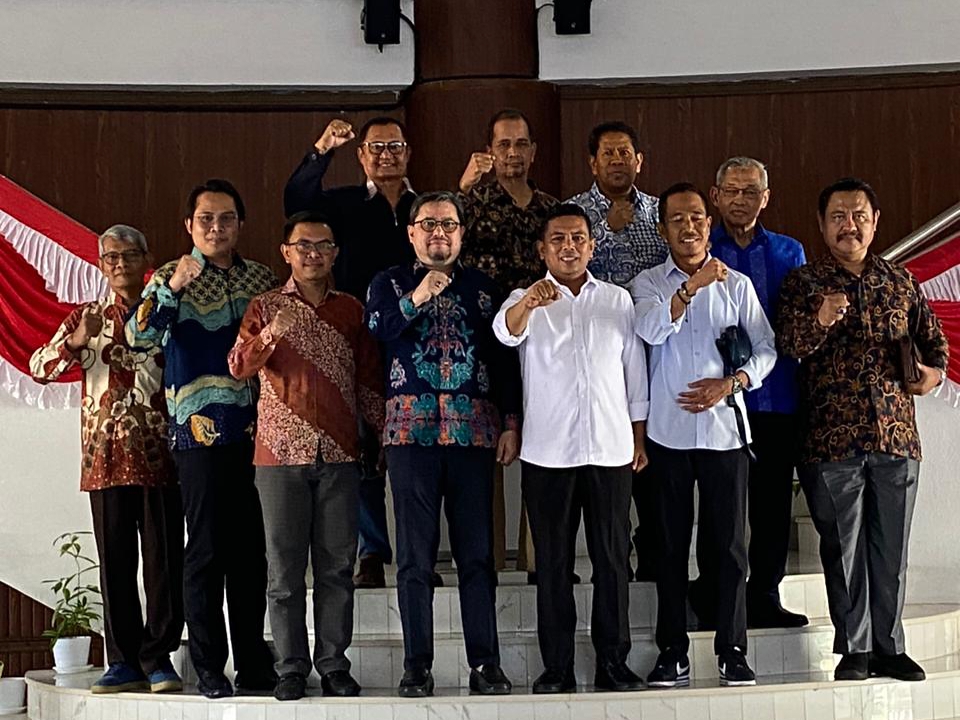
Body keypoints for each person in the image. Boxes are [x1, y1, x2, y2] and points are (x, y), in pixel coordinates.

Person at [776, 177, 948, 683]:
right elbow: (787, 345)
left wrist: (932, 376)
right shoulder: (802, 283)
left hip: (897, 437)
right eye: (838, 217)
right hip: (830, 440)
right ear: (821, 224)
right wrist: (821, 318)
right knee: (842, 548)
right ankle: (855, 650)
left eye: (858, 216)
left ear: (874, 223)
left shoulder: (900, 281)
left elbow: (934, 345)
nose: (848, 226)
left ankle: (890, 647)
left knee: (890, 550)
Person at [364, 191, 521, 698]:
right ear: (411, 233)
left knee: (477, 555)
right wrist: (417, 296)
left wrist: (511, 421)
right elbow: (378, 329)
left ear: (461, 232)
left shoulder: (484, 289)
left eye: (449, 224)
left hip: (473, 434)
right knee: (415, 557)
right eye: (428, 224)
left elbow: (504, 361)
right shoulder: (388, 282)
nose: (439, 233)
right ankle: (417, 665)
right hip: (411, 435)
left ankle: (486, 663)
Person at [126, 179, 278, 699]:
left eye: (227, 218)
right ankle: (210, 666)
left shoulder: (261, 278)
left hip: (258, 433)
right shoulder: (170, 275)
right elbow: (138, 338)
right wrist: (172, 288)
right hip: (198, 432)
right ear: (189, 225)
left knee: (251, 553)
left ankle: (253, 662)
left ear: (240, 224)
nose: (217, 227)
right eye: (206, 219)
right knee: (208, 549)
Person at [228, 211, 385, 701]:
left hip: (340, 454)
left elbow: (368, 381)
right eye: (304, 245)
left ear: (335, 253)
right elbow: (238, 366)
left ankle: (334, 664)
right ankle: (291, 667)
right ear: (286, 252)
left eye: (323, 245)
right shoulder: (265, 305)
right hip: (278, 456)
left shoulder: (351, 310)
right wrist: (272, 331)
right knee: (284, 571)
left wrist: (382, 436)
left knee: (337, 568)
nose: (313, 254)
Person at [493, 204, 648, 693]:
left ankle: (613, 662)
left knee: (612, 561)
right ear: (542, 249)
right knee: (553, 565)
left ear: (592, 246)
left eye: (578, 238)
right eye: (558, 239)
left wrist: (638, 437)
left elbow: (635, 373)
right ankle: (557, 667)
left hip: (610, 450)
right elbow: (505, 332)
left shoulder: (617, 300)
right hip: (548, 454)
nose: (569, 247)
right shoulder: (524, 299)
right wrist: (528, 304)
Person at [632, 183, 775, 688]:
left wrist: (732, 383)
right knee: (668, 547)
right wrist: (691, 287)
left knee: (730, 548)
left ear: (708, 224)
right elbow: (651, 331)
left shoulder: (736, 285)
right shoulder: (646, 284)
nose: (688, 226)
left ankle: (732, 649)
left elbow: (766, 348)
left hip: (724, 433)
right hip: (667, 435)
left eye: (696, 217)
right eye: (677, 219)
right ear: (662, 229)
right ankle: (672, 651)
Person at [31, 225, 183, 695]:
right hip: (105, 458)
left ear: (147, 259)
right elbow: (39, 367)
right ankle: (123, 661)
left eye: (129, 255)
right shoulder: (86, 316)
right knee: (114, 564)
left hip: (160, 455)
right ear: (100, 265)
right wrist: (74, 342)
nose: (120, 264)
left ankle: (159, 659)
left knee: (164, 563)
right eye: (111, 257)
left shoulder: (166, 314)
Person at [285, 116, 416, 589]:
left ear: (408, 153)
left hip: (415, 344)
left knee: (412, 454)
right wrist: (322, 148)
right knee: (362, 447)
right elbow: (296, 201)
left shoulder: (424, 208)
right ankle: (372, 552)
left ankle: (416, 554)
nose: (386, 155)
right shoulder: (343, 204)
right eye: (375, 147)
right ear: (361, 156)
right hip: (358, 339)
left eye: (394, 146)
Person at [687, 157, 809, 630]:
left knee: (772, 503)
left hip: (776, 397)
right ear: (715, 197)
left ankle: (765, 595)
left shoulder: (788, 252)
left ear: (766, 197)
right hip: (718, 402)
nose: (741, 200)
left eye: (751, 191)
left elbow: (796, 321)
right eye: (732, 191)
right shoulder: (701, 250)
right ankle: (714, 594)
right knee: (719, 505)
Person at [457, 107, 559, 579]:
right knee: (489, 450)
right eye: (504, 144)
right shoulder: (470, 204)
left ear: (533, 151)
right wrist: (462, 188)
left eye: (521, 144)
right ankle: (491, 560)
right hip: (483, 340)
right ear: (489, 151)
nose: (513, 153)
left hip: (542, 344)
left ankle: (538, 558)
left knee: (541, 448)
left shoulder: (551, 209)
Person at [568, 120, 668, 581]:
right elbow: (570, 269)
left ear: (639, 161)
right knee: (605, 468)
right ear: (592, 163)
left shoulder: (659, 212)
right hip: (597, 359)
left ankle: (652, 555)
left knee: (650, 465)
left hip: (654, 352)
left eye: (624, 152)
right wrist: (606, 231)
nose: (616, 161)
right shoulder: (575, 213)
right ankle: (612, 558)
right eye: (607, 153)